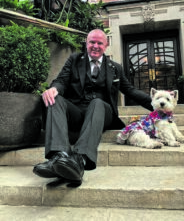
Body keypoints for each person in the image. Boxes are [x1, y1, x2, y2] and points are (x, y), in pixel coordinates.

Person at [33, 29, 153, 185]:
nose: (95, 46)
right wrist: (54, 89)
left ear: (106, 45)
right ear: (86, 43)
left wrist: (158, 105)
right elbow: (61, 80)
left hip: (103, 113)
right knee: (55, 99)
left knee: (97, 102)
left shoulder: (115, 68)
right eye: (92, 42)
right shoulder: (74, 60)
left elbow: (130, 91)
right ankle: (60, 157)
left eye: (99, 43)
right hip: (77, 111)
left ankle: (79, 159)